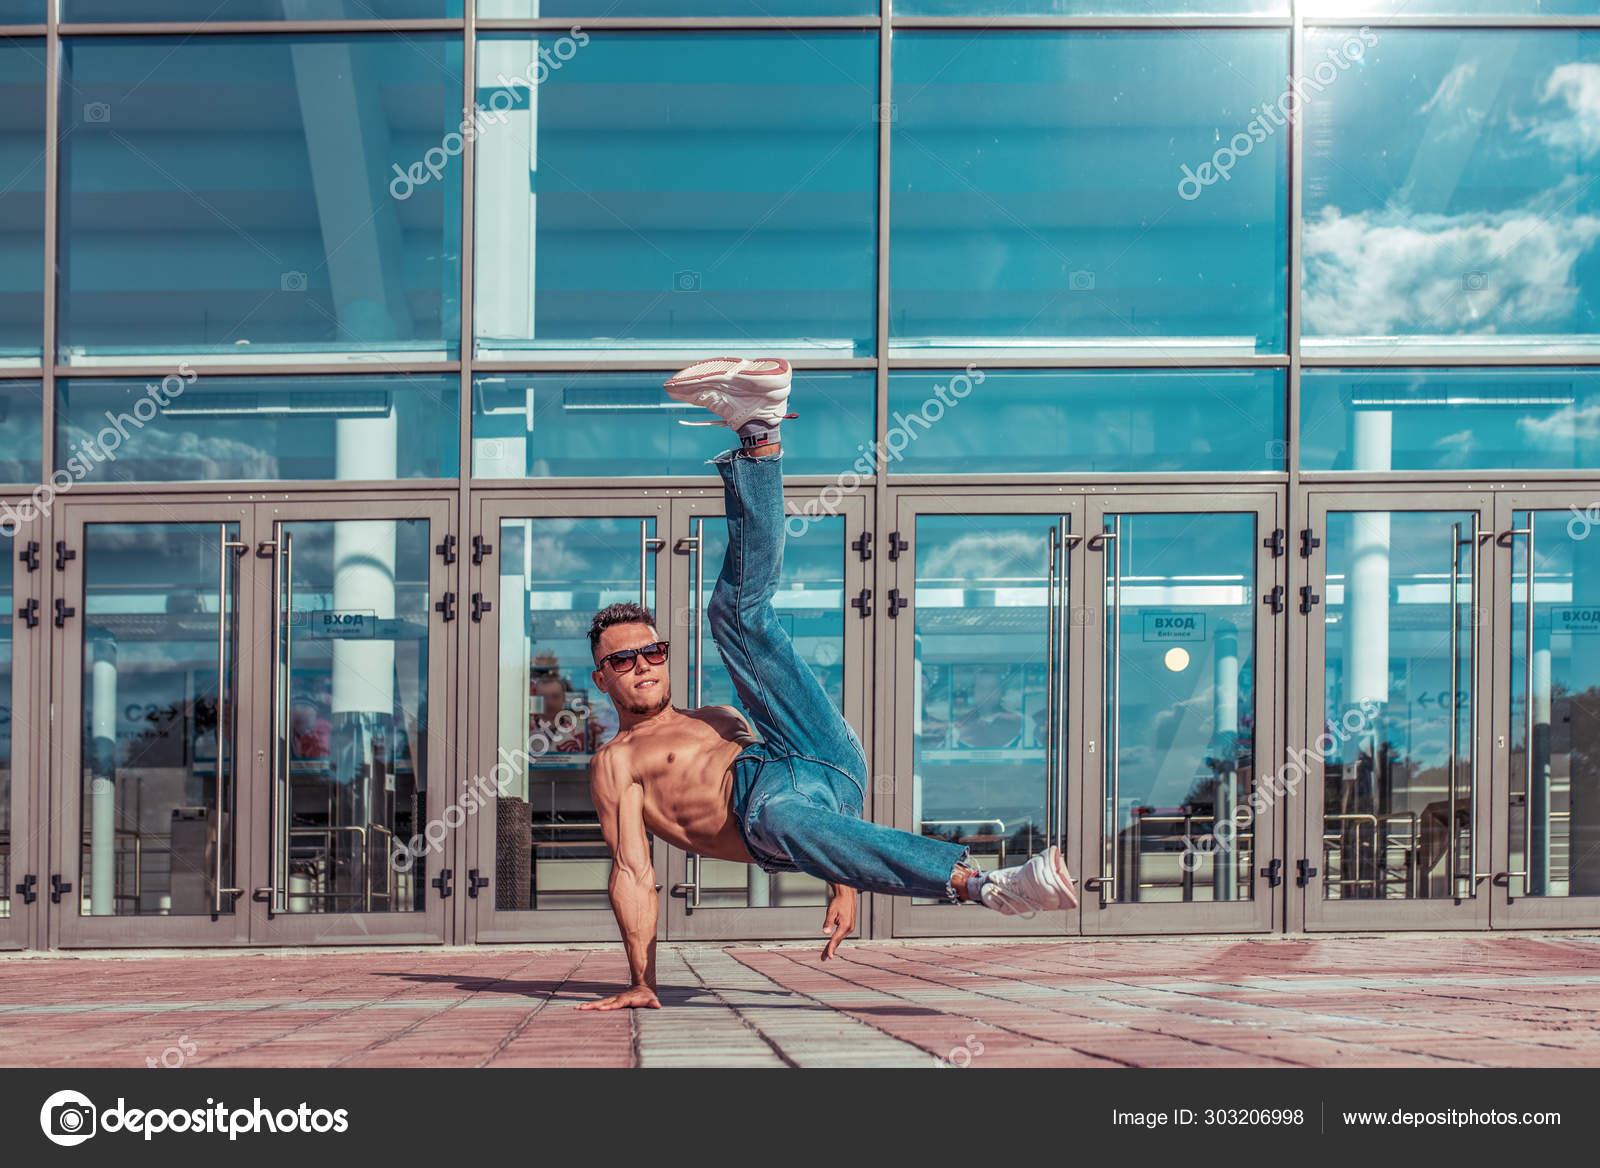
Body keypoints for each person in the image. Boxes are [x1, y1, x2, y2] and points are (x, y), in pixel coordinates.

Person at [577, 357, 1077, 1012]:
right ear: (601, 678)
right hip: (764, 812)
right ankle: (986, 884)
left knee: (737, 616)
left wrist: (843, 881)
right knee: (776, 812)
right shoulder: (617, 763)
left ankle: (759, 436)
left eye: (652, 651)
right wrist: (642, 979)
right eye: (624, 661)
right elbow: (633, 871)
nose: (643, 665)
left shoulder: (717, 718)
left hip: (814, 756)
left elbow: (816, 800)